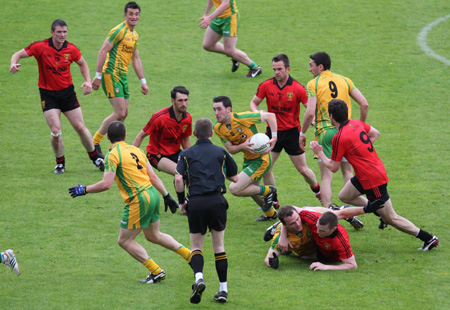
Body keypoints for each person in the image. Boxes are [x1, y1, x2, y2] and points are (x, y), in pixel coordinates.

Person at [68, 121, 191, 284]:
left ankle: (156, 271)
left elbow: (106, 184)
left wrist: (84, 189)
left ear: (108, 138)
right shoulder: (136, 149)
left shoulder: (112, 155)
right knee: (154, 235)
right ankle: (189, 255)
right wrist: (167, 195)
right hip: (153, 195)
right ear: (125, 136)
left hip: (138, 199)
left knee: (124, 241)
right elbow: (153, 176)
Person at [310, 99, 439, 251]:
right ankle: (378, 212)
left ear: (331, 117)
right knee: (345, 195)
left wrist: (320, 153)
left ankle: (428, 238)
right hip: (368, 174)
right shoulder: (356, 123)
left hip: (372, 180)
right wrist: (360, 153)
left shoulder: (339, 138)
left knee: (391, 218)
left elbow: (333, 167)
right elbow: (375, 133)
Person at [10, 19, 104, 174]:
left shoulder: (71, 49)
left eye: (65, 32)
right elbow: (17, 54)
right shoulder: (40, 47)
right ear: (52, 32)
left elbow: (82, 63)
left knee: (80, 127)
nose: (62, 35)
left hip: (67, 94)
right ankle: (60, 163)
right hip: (48, 95)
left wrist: (87, 81)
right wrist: (13, 63)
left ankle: (96, 158)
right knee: (55, 130)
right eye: (59, 32)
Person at [175, 118, 238, 304]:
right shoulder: (221, 152)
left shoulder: (186, 154)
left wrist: (181, 203)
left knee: (196, 247)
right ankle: (223, 289)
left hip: (196, 202)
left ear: (194, 134)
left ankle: (199, 278)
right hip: (217, 201)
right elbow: (234, 178)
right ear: (211, 134)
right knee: (219, 247)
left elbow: (179, 180)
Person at [250, 54, 322, 207]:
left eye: (280, 69)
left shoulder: (297, 88)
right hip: (272, 133)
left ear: (287, 69)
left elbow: (309, 108)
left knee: (303, 170)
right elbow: (253, 103)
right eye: (274, 69)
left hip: (292, 134)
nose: (276, 72)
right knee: (266, 168)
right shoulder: (266, 85)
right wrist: (258, 113)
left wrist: (314, 121)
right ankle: (274, 202)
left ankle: (318, 191)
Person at [301, 51, 369, 208]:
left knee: (326, 176)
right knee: (347, 172)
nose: (309, 69)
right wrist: (360, 126)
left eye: (311, 66)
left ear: (320, 66)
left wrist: (302, 133)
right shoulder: (345, 80)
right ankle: (356, 209)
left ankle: (327, 213)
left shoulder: (313, 84)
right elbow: (364, 104)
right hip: (347, 133)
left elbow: (310, 112)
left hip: (326, 133)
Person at [91, 1, 149, 156]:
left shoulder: (134, 35)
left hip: (123, 76)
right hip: (111, 74)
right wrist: (97, 76)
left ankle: (115, 148)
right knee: (120, 112)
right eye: (131, 14)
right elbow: (103, 51)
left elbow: (135, 59)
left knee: (124, 113)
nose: (134, 17)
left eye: (136, 14)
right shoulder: (118, 31)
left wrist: (143, 81)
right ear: (125, 15)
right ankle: (95, 141)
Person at [213, 96, 278, 221]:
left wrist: (274, 137)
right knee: (251, 190)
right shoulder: (218, 128)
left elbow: (271, 116)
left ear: (228, 109)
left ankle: (269, 191)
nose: (216, 113)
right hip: (248, 159)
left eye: (219, 109)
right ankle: (271, 214)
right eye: (214, 109)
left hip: (261, 159)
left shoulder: (242, 118)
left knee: (235, 188)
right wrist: (243, 146)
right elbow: (231, 149)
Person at [275, 205, 381, 271]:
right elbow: (290, 210)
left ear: (332, 229)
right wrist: (283, 235)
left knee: (301, 256)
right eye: (317, 228)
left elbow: (352, 265)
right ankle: (279, 226)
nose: (317, 232)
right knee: (306, 209)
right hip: (315, 242)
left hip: (324, 255)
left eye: (322, 231)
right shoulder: (315, 219)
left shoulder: (340, 241)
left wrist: (326, 267)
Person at [133, 86, 192, 175]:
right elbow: (141, 136)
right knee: (180, 173)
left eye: (186, 100)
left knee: (195, 171)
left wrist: (191, 159)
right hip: (157, 155)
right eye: (180, 100)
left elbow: (185, 139)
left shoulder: (187, 119)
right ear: (173, 101)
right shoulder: (160, 117)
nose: (184, 104)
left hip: (175, 153)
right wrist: (131, 158)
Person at [199, 0, 262, 78]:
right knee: (208, 45)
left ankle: (255, 68)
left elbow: (225, 4)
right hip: (218, 16)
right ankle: (234, 56)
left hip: (230, 18)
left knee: (230, 50)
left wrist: (210, 18)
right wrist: (206, 14)